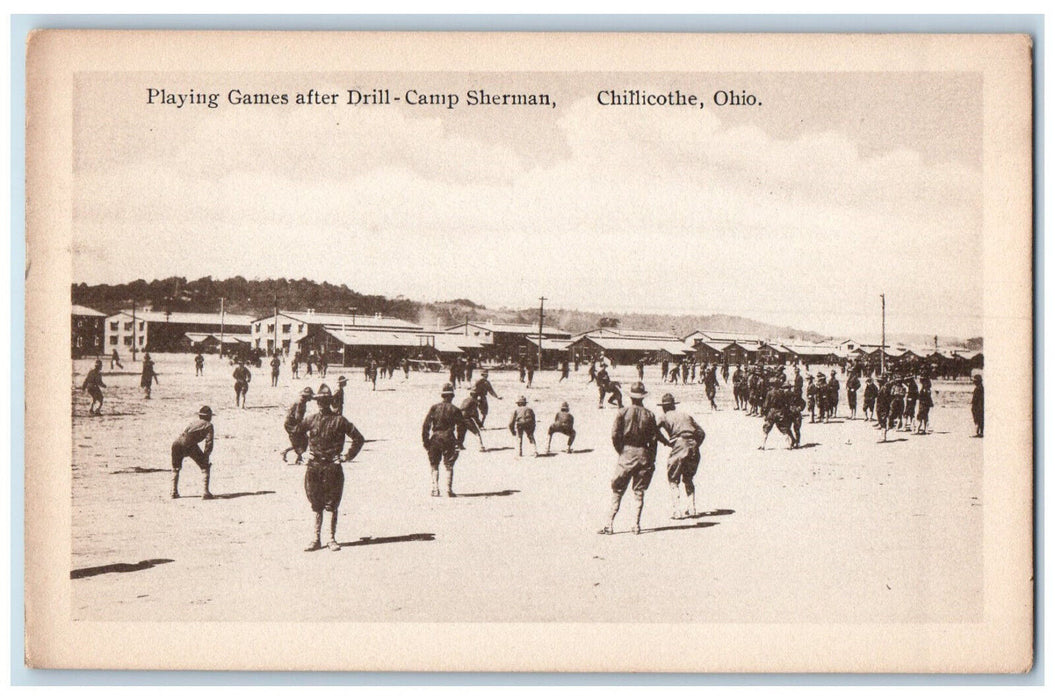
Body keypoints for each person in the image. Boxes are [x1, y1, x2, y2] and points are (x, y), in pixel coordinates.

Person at [294, 384, 365, 552]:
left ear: (329, 402)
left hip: (332, 467)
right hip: (314, 466)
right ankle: (315, 538)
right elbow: (296, 432)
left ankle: (331, 538)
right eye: (318, 401)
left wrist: (346, 456)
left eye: (324, 401)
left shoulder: (340, 420)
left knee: (332, 503)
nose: (321, 404)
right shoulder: (310, 419)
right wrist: (301, 452)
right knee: (315, 502)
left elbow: (358, 438)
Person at [600, 382, 658, 535]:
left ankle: (609, 525)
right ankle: (636, 525)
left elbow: (615, 435)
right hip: (644, 454)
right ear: (643, 397)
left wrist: (621, 450)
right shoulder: (650, 415)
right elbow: (653, 440)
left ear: (631, 397)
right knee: (639, 491)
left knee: (618, 489)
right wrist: (651, 458)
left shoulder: (622, 413)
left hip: (626, 453)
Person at [655, 393, 706, 519]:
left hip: (679, 445)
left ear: (664, 407)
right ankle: (692, 508)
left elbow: (653, 431)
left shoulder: (663, 417)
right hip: (693, 445)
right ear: (673, 405)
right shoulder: (686, 415)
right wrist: (695, 444)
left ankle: (677, 511)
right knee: (688, 478)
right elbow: (701, 433)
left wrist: (666, 442)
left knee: (673, 478)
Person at [422, 382, 467, 497]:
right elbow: (462, 427)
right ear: (452, 396)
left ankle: (435, 489)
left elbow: (426, 425)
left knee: (434, 465)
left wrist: (426, 441)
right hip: (449, 438)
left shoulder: (434, 408)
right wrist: (459, 442)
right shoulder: (455, 409)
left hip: (435, 438)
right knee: (449, 465)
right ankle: (448, 490)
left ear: (442, 396)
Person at [170, 405, 215, 500]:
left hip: (176, 443)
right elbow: (209, 442)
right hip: (189, 444)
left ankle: (173, 491)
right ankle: (205, 492)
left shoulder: (193, 423)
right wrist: (206, 456)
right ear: (209, 416)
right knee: (205, 466)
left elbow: (184, 433)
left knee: (176, 468)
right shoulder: (209, 425)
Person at [282, 387, 315, 464]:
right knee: (302, 440)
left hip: (292, 423)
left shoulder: (301, 402)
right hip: (292, 425)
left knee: (301, 440)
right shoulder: (301, 403)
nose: (311, 398)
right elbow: (298, 417)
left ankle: (291, 454)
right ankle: (297, 457)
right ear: (307, 396)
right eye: (310, 396)